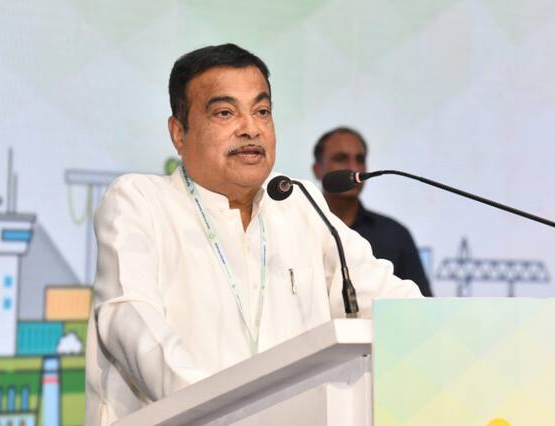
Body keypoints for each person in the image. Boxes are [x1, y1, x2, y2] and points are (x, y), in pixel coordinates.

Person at [84, 44, 422, 425]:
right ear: (178, 133)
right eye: (225, 113)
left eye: (262, 111)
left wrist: (450, 333)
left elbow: (391, 301)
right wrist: (218, 407)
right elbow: (129, 319)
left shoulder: (297, 202)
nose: (251, 128)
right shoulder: (140, 201)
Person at [312, 127, 433, 297]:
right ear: (317, 169)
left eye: (360, 159)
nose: (353, 167)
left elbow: (423, 304)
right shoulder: (300, 228)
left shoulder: (395, 234)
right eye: (341, 158)